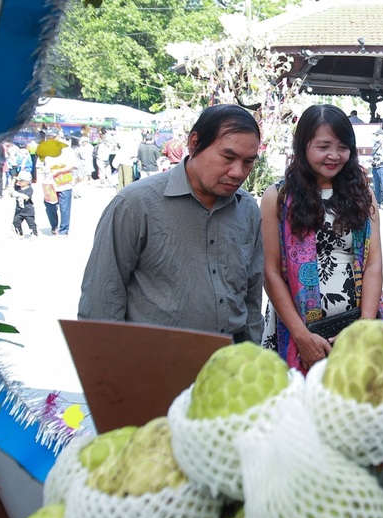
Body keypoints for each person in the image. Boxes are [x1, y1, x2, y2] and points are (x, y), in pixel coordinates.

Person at [78, 104, 265, 343]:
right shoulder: (136, 204)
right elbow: (101, 298)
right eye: (228, 157)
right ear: (194, 143)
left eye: (248, 162)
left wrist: (251, 356)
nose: (238, 172)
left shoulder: (247, 209)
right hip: (156, 365)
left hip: (229, 365)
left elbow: (251, 295)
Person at [260, 104, 383, 372]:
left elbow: (373, 264)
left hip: (357, 321)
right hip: (295, 326)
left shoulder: (362, 195)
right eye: (323, 146)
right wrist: (302, 336)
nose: (334, 155)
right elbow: (270, 272)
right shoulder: (278, 197)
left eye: (343, 147)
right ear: (302, 146)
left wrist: (362, 327)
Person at [40, 134, 76, 235]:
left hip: (64, 183)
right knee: (49, 206)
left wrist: (59, 171)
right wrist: (45, 169)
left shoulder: (67, 150)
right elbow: (40, 164)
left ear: (57, 137)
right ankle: (54, 225)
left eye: (53, 137)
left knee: (64, 208)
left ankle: (64, 230)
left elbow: (72, 165)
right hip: (49, 183)